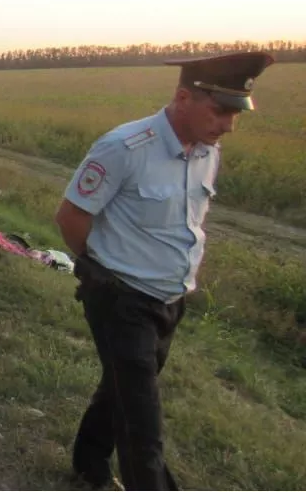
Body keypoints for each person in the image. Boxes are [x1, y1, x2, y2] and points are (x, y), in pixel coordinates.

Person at [54, 51, 276, 490]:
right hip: (122, 299)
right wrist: (102, 274)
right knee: (142, 424)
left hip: (172, 301)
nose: (228, 125)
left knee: (122, 389)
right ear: (182, 97)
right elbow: (70, 218)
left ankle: (88, 461)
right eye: (220, 111)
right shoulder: (123, 148)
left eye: (235, 114)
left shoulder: (206, 152)